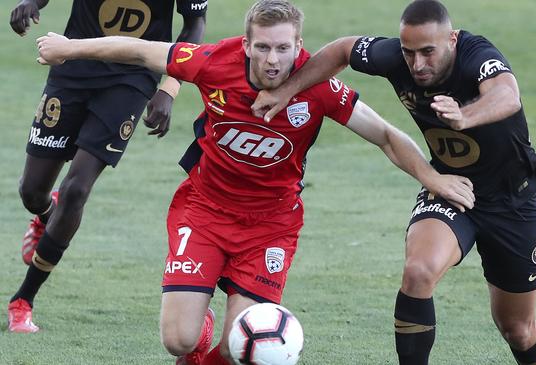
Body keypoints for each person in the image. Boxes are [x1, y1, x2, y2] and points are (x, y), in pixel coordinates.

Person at [35, 1, 477, 364]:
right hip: (204, 211)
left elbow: (384, 134)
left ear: (298, 46)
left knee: (241, 348)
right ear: (246, 44)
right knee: (179, 340)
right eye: (262, 47)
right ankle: (198, 321)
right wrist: (68, 47)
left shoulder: (318, 86)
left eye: (283, 48)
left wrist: (432, 177)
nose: (272, 60)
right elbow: (137, 51)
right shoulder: (212, 62)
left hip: (270, 227)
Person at [251, 1, 536, 364]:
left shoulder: (477, 56)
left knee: (517, 328)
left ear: (451, 39)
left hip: (512, 201)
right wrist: (288, 90)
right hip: (451, 189)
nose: (418, 64)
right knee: (418, 271)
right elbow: (343, 49)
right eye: (410, 53)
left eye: (428, 51)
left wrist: (464, 116)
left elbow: (507, 95)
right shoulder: (394, 57)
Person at [7, 0, 207, 334]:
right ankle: (46, 215)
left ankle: (23, 300)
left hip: (131, 79)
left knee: (76, 189)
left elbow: (194, 24)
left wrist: (169, 90)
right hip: (73, 64)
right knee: (31, 191)